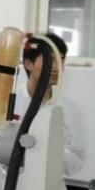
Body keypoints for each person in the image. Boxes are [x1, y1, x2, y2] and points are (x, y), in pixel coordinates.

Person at [18, 32, 85, 177]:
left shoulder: (68, 108)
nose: (57, 67)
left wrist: (46, 152)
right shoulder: (10, 102)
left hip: (48, 183)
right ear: (28, 64)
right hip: (11, 183)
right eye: (50, 60)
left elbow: (76, 159)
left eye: (61, 60)